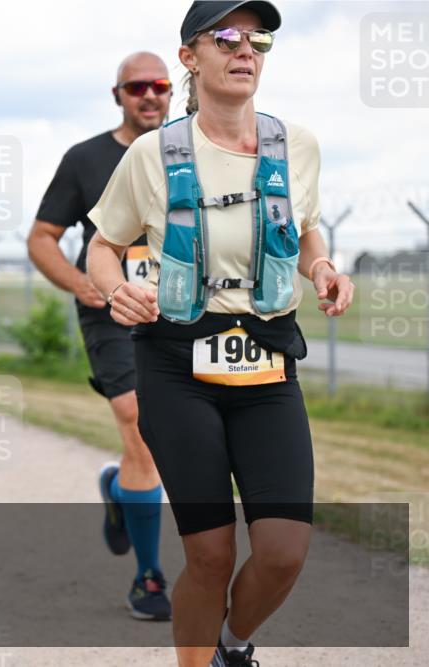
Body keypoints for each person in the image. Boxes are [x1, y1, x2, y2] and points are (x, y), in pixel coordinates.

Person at [86, 2, 354, 665]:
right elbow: (102, 245)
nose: (245, 49)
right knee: (209, 554)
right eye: (225, 37)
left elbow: (305, 226)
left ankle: (232, 644)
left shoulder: (297, 146)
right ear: (191, 58)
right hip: (176, 363)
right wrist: (116, 287)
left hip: (266, 360)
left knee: (284, 551)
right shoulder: (153, 156)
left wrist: (320, 266)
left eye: (257, 37)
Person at [27, 52, 173, 621]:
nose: (150, 95)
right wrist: (82, 282)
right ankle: (150, 576)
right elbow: (42, 236)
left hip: (181, 311)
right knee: (138, 420)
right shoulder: (85, 159)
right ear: (118, 95)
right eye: (137, 87)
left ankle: (120, 489)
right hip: (112, 310)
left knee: (176, 434)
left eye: (159, 85)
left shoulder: (191, 150)